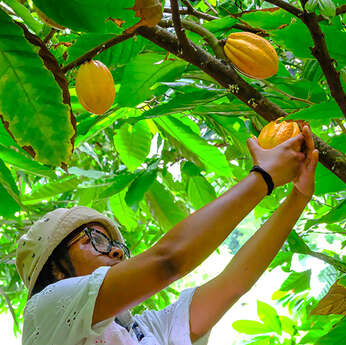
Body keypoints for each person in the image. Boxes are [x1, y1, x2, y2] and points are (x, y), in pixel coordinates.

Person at [16, 126, 319, 345]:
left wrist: (298, 197)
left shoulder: (143, 330)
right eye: (94, 239)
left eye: (117, 245)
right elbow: (167, 262)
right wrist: (263, 178)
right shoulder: (46, 311)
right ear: (54, 269)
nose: (117, 252)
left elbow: (232, 285)